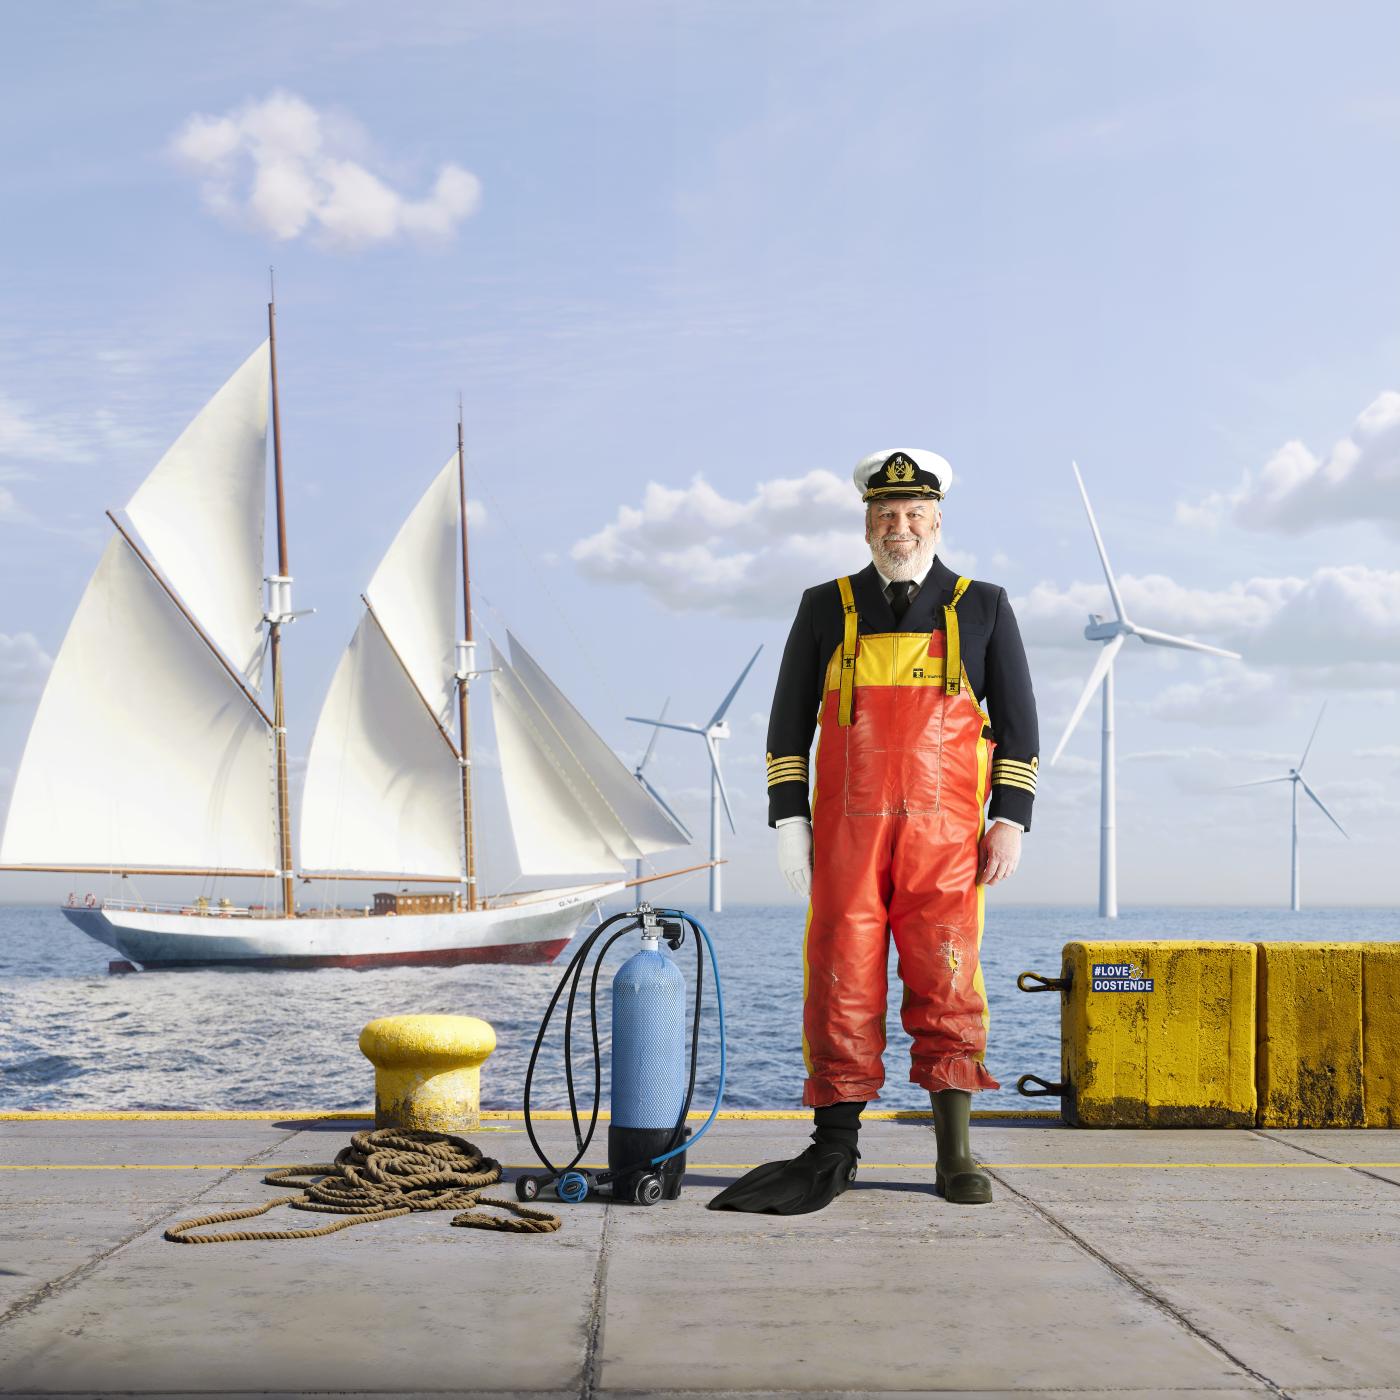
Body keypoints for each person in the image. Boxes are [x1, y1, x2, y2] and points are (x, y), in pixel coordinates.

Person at [709, 448, 1039, 1214]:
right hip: (847, 840)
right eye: (886, 516)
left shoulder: (982, 605)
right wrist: (791, 820)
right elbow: (787, 722)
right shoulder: (825, 606)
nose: (901, 528)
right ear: (866, 526)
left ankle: (954, 1154)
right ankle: (835, 1147)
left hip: (948, 839)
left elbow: (1019, 728)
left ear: (937, 521)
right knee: (840, 981)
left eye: (914, 515)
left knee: (948, 980)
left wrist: (1010, 822)